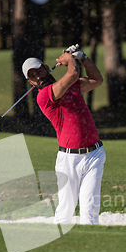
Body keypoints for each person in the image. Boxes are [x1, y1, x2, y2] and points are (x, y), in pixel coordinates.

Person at [22, 45, 106, 225]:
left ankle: (89, 250)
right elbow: (73, 74)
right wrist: (69, 59)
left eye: (38, 71)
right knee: (65, 212)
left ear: (46, 68)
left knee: (90, 210)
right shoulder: (44, 96)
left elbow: (97, 79)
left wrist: (82, 57)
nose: (37, 76)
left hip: (94, 155)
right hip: (69, 160)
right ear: (31, 83)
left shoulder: (73, 86)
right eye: (32, 76)